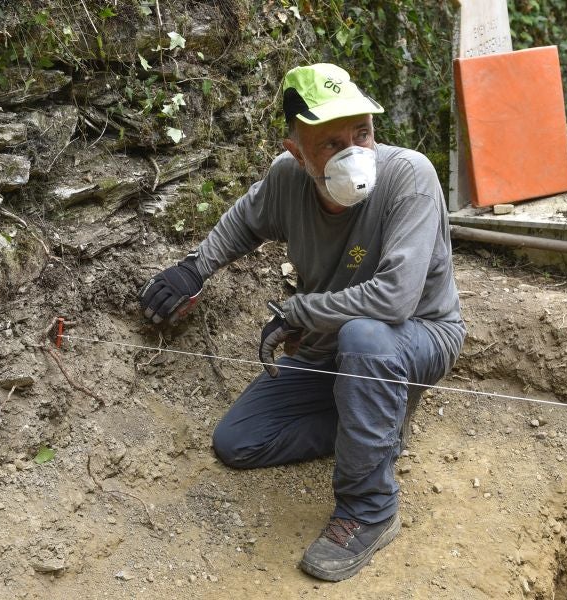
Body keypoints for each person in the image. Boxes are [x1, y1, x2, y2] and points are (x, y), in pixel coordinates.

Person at [139, 63, 465, 582]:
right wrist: (193, 269)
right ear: (297, 152)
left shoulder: (411, 177)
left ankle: (369, 509)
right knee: (239, 441)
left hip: (415, 337)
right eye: (332, 142)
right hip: (335, 343)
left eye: (362, 132)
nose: (354, 151)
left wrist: (300, 312)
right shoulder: (287, 179)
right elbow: (244, 222)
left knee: (366, 335)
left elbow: (397, 300)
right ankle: (377, 428)